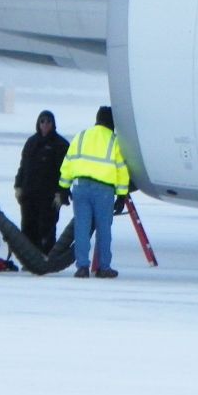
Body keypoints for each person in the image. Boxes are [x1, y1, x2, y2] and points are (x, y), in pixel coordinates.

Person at [57, 106, 129, 278]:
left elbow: (68, 163)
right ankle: (104, 267)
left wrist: (64, 187)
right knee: (104, 229)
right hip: (104, 191)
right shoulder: (114, 141)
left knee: (82, 227)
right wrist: (121, 195)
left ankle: (82, 267)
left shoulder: (81, 136)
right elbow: (121, 170)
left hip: (80, 187)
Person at [14, 109, 69, 254]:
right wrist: (18, 186)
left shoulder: (61, 144)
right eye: (42, 121)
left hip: (49, 197)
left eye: (48, 122)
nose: (45, 125)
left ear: (53, 124)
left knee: (46, 228)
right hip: (29, 194)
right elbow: (23, 166)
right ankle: (29, 258)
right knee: (28, 227)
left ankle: (46, 258)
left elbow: (66, 172)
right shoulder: (32, 142)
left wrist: (62, 193)